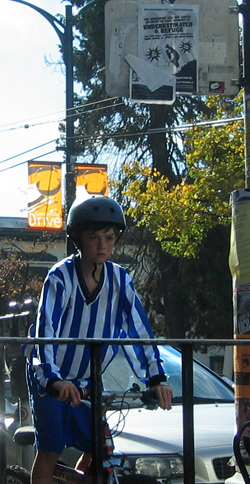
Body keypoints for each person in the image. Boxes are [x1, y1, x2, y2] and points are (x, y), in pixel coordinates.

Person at [25, 196, 173, 484]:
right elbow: (46, 331)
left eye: (109, 237)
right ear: (78, 240)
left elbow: (138, 331)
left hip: (88, 377)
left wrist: (156, 379)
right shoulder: (60, 277)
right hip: (51, 377)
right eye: (94, 237)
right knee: (50, 450)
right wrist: (53, 380)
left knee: (99, 446)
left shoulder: (120, 280)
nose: (103, 245)